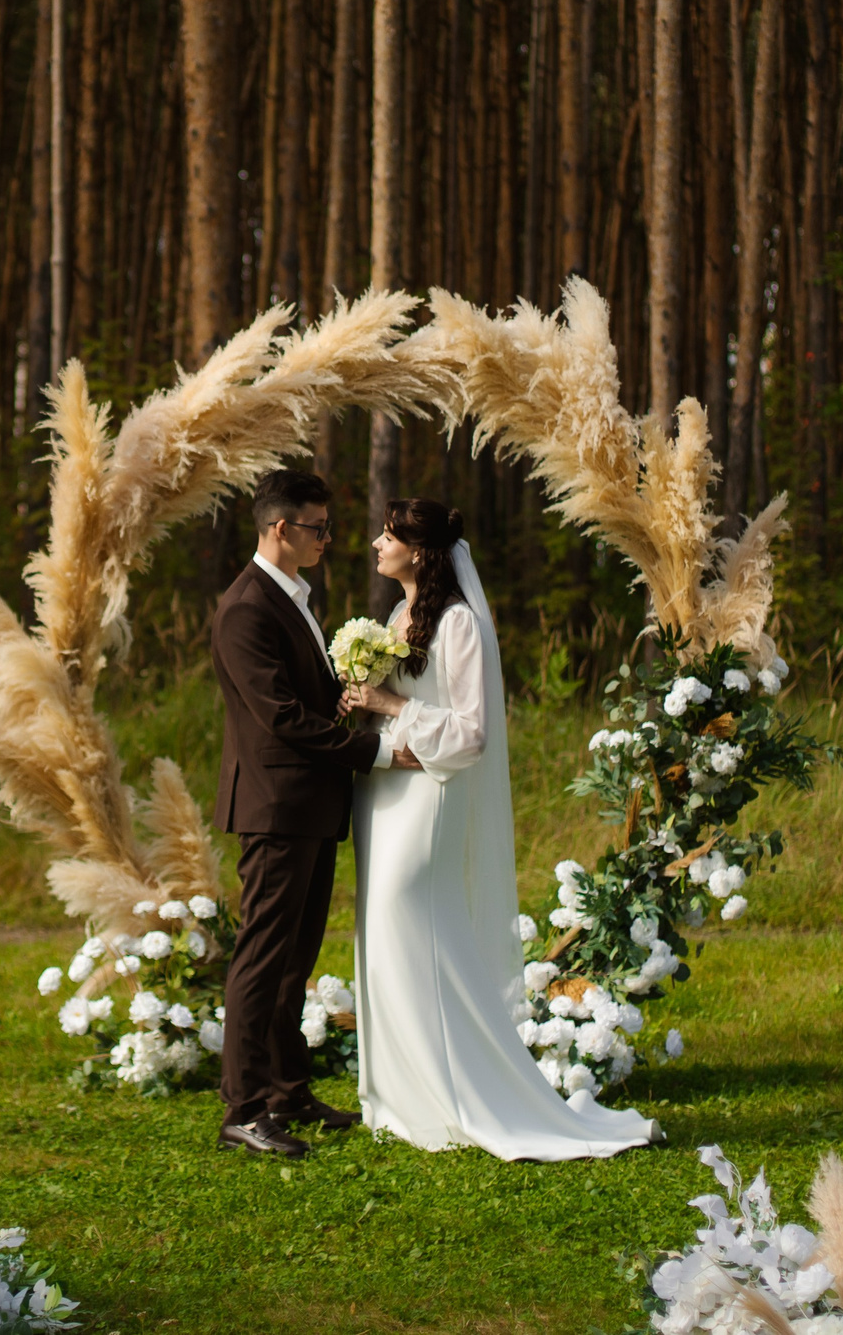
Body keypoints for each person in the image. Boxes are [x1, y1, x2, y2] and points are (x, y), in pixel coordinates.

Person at [338, 496, 656, 1160]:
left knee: (417, 927)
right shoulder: (399, 616)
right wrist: (359, 702)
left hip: (429, 796)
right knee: (384, 932)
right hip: (383, 796)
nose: (375, 543)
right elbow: (395, 714)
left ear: (419, 550)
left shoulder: (457, 624)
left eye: (387, 535)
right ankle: (404, 1096)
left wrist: (390, 700)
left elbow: (473, 733)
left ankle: (460, 1092)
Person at [207, 468, 408, 1159]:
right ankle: (244, 1105)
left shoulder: (291, 596)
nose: (328, 538)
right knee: (261, 957)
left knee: (294, 958)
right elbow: (280, 718)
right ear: (280, 528)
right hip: (275, 806)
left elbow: (304, 699)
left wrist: (344, 696)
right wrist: (372, 751)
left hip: (310, 805)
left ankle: (289, 1089)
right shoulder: (245, 607)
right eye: (318, 527)